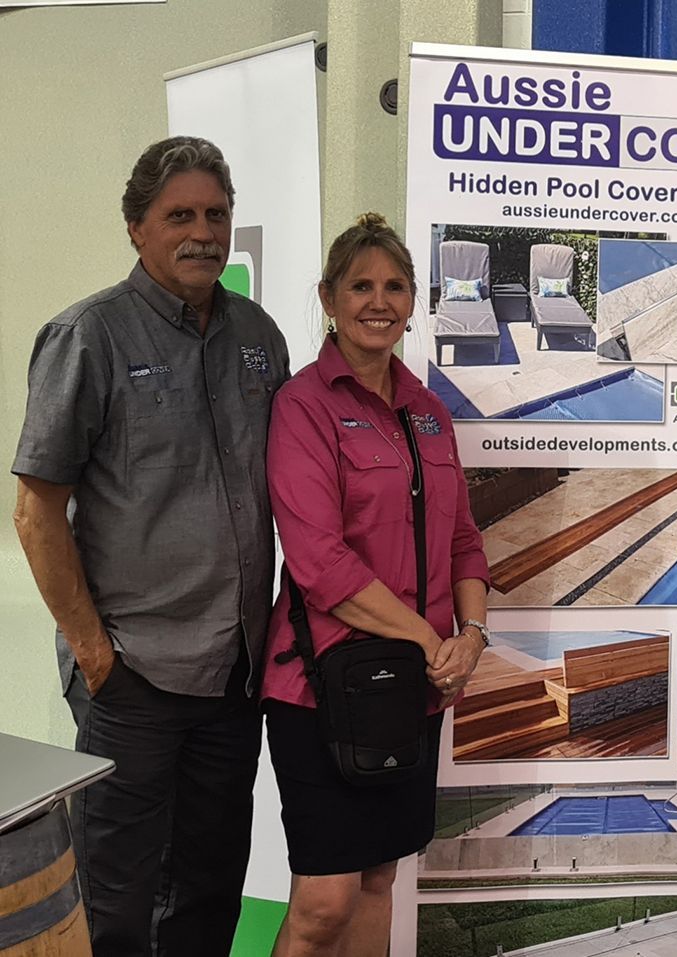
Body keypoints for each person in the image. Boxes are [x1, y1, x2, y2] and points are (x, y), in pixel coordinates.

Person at [11, 136, 289, 955]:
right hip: (132, 676)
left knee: (210, 889)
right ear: (136, 226)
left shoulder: (257, 336)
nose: (203, 232)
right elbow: (36, 512)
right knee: (116, 899)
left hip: (235, 675)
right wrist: (98, 655)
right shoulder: (87, 336)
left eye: (216, 214)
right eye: (180, 216)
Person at [261, 213, 490, 957]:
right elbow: (319, 563)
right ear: (329, 298)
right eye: (360, 285)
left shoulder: (427, 413)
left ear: (414, 300)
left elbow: (462, 539)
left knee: (377, 882)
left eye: (394, 286)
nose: (378, 301)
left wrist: (473, 636)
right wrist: (431, 638)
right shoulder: (303, 406)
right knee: (325, 900)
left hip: (412, 690)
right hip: (324, 682)